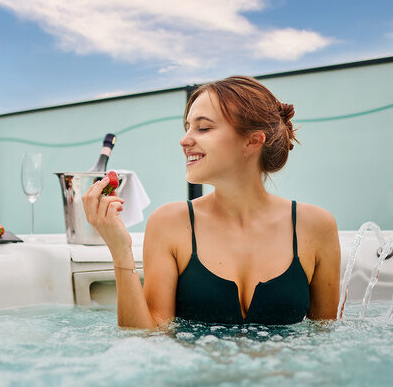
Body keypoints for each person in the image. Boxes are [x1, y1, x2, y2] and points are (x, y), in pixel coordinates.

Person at [82, 76, 341, 329]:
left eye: (203, 128)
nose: (184, 140)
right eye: (187, 128)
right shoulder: (170, 223)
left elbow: (324, 338)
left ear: (252, 141)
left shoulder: (315, 227)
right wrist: (120, 249)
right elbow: (146, 337)